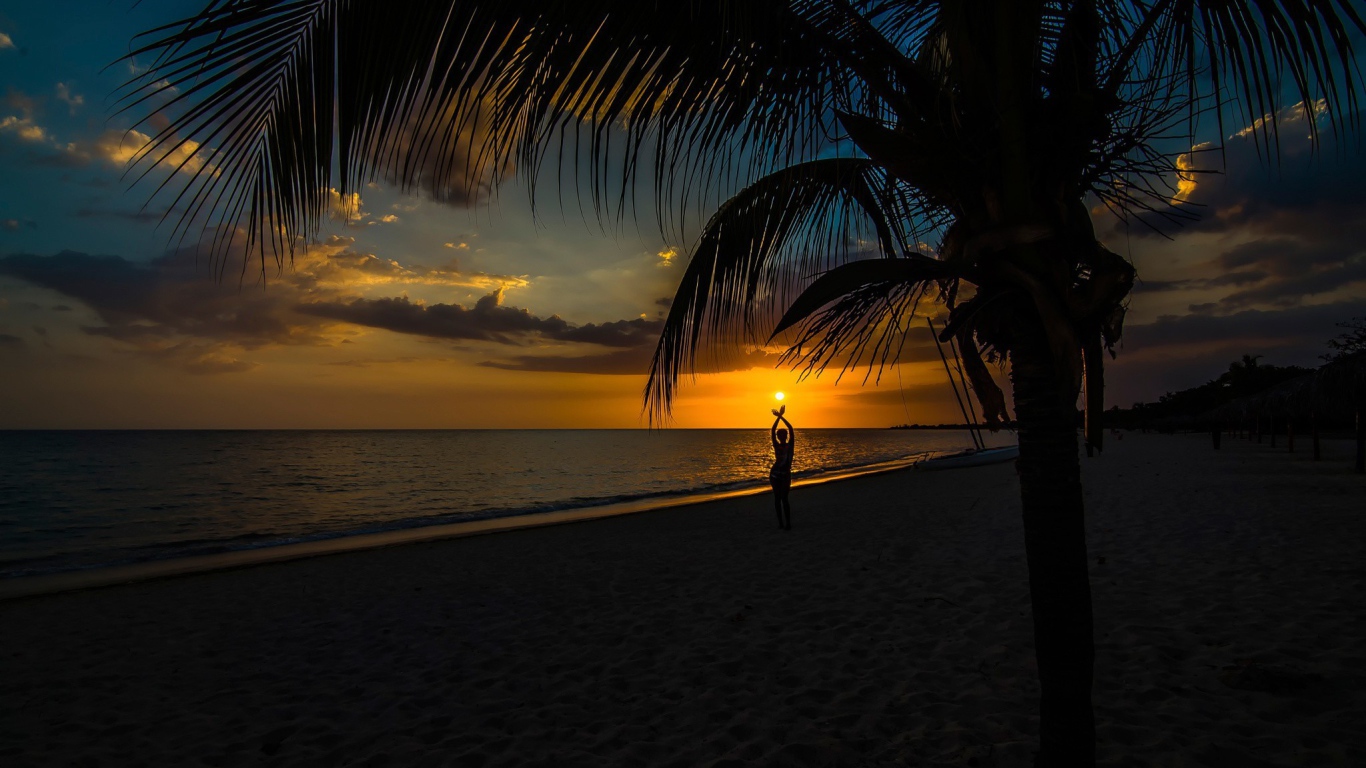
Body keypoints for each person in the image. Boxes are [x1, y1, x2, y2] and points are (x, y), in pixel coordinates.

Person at [769, 405, 794, 530]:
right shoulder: (776, 445)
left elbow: (791, 428)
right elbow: (773, 430)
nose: (782, 437)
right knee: (777, 498)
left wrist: (781, 416)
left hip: (785, 474)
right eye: (781, 435)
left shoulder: (790, 445)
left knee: (785, 498)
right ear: (779, 437)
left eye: (784, 435)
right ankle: (780, 523)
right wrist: (778, 418)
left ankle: (788, 523)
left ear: (786, 436)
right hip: (775, 474)